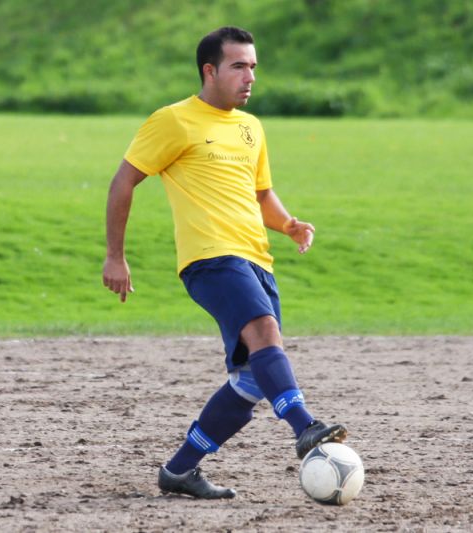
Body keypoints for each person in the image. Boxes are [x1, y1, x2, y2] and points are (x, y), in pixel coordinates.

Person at [102, 26, 347, 499]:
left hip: (256, 259)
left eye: (253, 67)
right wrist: (115, 255)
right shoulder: (173, 121)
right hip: (210, 258)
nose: (249, 76)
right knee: (264, 332)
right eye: (238, 66)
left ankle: (180, 470)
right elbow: (123, 181)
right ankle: (304, 427)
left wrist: (289, 224)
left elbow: (260, 194)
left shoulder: (251, 127)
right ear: (209, 71)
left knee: (252, 380)